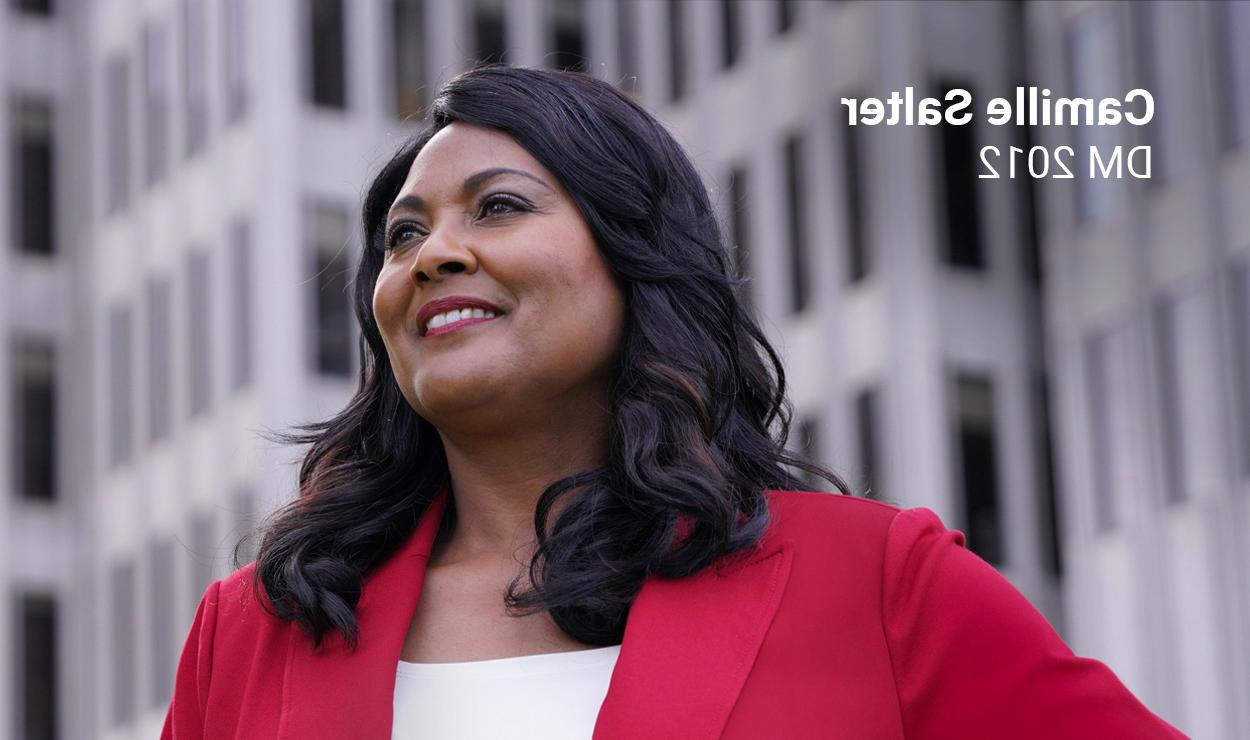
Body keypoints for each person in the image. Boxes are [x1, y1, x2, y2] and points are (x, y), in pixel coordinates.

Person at [161, 66, 1185, 739]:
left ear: (634, 259)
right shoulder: (253, 628)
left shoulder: (877, 581)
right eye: (401, 235)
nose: (434, 255)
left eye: (499, 206)